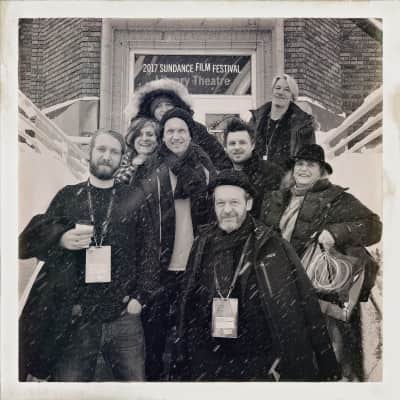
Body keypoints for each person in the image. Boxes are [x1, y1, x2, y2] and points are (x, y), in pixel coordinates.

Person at [177, 169, 341, 381]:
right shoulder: (202, 243)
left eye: (234, 202)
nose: (227, 210)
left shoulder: (272, 245)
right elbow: (187, 301)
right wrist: (183, 352)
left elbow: (306, 303)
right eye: (220, 203)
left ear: (248, 204)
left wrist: (326, 363)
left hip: (258, 359)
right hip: (209, 357)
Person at [19, 129, 153, 382]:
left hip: (124, 316)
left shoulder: (134, 198)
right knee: (70, 391)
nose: (107, 156)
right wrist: (60, 238)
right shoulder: (69, 195)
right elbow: (26, 243)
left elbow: (149, 250)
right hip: (77, 319)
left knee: (134, 390)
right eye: (101, 149)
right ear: (90, 153)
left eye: (114, 151)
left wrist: (140, 298)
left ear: (121, 158)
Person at [260, 144, 382, 381]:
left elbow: (374, 226)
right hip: (280, 286)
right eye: (300, 164)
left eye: (311, 165)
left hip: (318, 289)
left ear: (322, 171)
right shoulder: (276, 198)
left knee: (326, 352)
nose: (303, 169)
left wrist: (337, 233)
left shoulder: (337, 199)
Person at [121, 107, 217, 380]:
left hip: (194, 270)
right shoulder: (149, 169)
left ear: (190, 134)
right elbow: (135, 222)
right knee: (154, 340)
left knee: (188, 340)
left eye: (181, 130)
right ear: (163, 136)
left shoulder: (205, 168)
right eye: (170, 131)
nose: (176, 136)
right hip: (157, 271)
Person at [125, 78, 231, 170]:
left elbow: (218, 156)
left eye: (168, 105)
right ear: (152, 111)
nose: (164, 109)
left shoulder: (195, 128)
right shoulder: (147, 131)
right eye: (158, 106)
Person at [250, 73, 316, 170]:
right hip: (256, 176)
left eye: (287, 90)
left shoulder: (303, 125)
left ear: (292, 96)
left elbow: (309, 159)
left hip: (286, 177)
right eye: (278, 88)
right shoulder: (256, 119)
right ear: (272, 91)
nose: (280, 92)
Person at [223, 117, 284, 217]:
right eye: (232, 143)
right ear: (225, 148)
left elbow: (273, 216)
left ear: (252, 145)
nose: (237, 147)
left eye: (242, 142)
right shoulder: (222, 176)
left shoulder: (271, 173)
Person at [115, 117, 160, 185]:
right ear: (133, 139)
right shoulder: (122, 160)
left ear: (157, 140)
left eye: (150, 135)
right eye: (139, 135)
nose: (144, 139)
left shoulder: (161, 165)